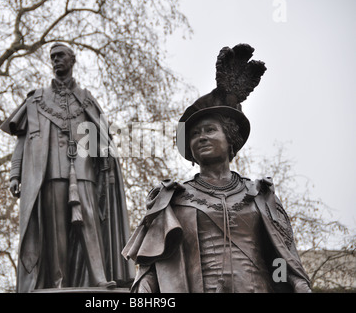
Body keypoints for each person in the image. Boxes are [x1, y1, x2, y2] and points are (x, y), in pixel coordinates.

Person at [122, 44, 311, 293]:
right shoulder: (172, 198)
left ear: (230, 138)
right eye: (195, 134)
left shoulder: (260, 195)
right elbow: (151, 268)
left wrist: (300, 286)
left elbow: (285, 259)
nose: (201, 137)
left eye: (210, 130)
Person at [0, 43, 134, 292]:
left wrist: (106, 160)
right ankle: (58, 282)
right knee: (56, 230)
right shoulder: (36, 99)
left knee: (90, 224)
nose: (55, 60)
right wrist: (15, 174)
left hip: (84, 173)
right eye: (52, 57)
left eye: (60, 56)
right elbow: (21, 141)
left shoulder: (85, 99)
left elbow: (100, 137)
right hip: (50, 174)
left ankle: (99, 277)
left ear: (72, 59)